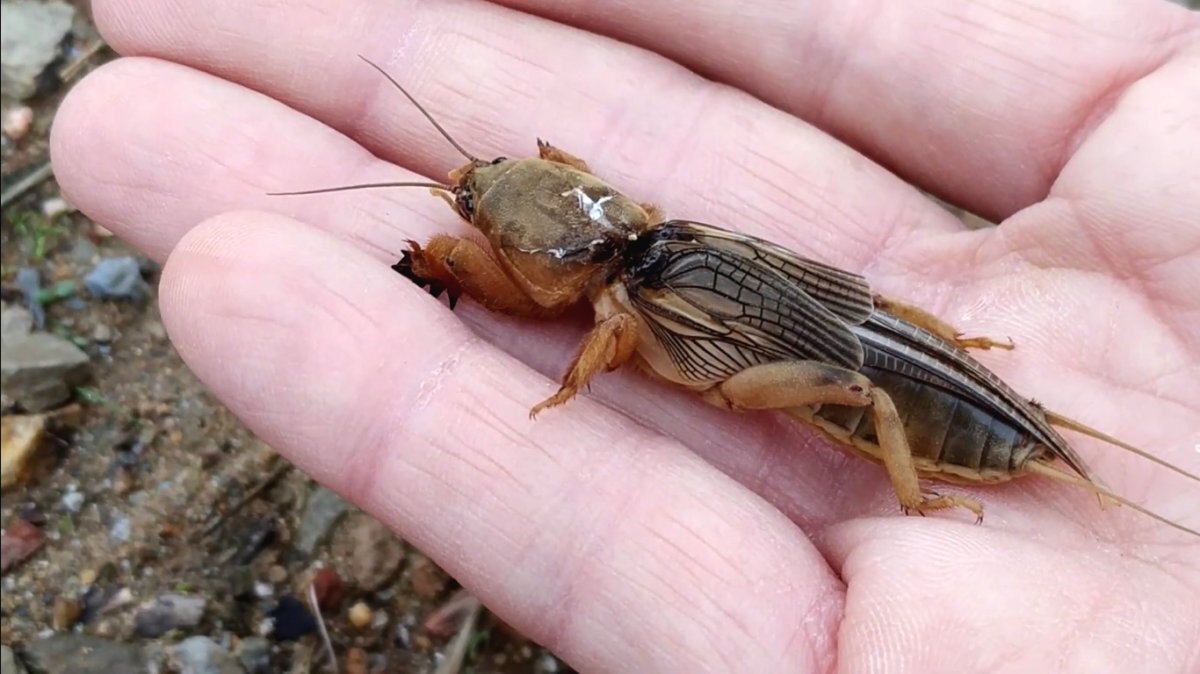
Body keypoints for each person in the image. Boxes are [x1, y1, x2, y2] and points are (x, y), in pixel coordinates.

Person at [51, 1, 1199, 671]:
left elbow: (588, 338)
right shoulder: (658, 230)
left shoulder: (612, 309)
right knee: (875, 337)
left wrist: (561, 388)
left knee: (877, 385)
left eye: (477, 201)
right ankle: (977, 391)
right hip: (877, 324)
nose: (472, 200)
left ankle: (921, 484)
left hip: (883, 368)